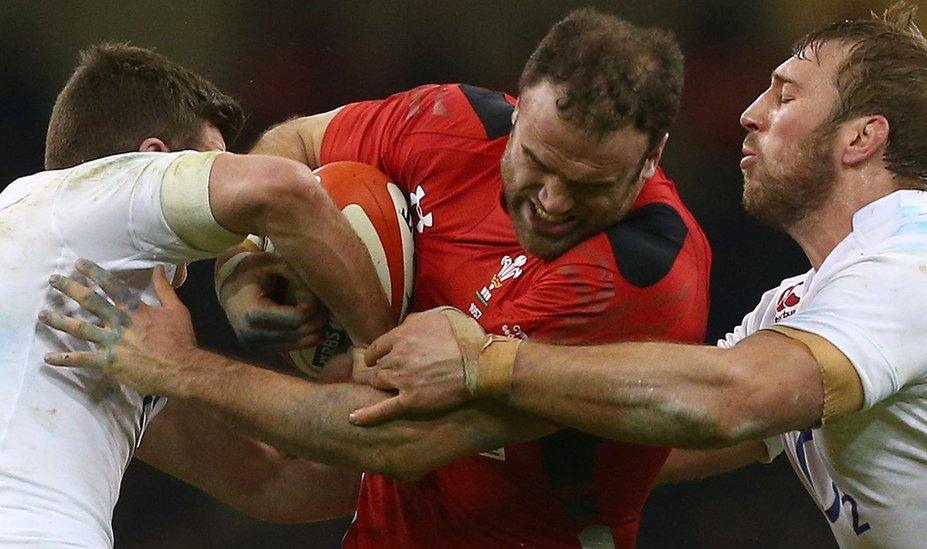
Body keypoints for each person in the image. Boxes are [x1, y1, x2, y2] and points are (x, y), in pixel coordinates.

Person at [40, 9, 712, 548]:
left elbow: (399, 441)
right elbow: (291, 147)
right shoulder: (453, 121)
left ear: (652, 155)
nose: (554, 200)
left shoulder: (644, 273)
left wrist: (183, 368)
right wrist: (246, 261)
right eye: (536, 160)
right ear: (518, 110)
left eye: (590, 183)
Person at [344, 4, 927, 547]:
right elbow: (646, 440)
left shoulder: (919, 270)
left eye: (785, 95)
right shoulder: (801, 307)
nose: (750, 114)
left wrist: (486, 362)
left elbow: (730, 399)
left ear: (861, 137)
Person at [0, 43, 394, 547]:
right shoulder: (84, 197)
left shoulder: (77, 313)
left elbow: (272, 483)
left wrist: (430, 447)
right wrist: (383, 350)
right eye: (212, 165)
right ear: (153, 162)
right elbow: (281, 189)